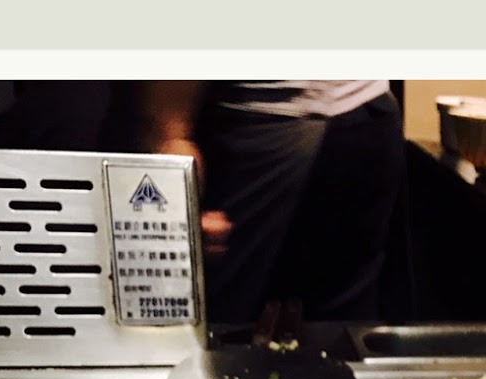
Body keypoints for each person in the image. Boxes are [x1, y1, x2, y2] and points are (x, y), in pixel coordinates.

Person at [138, 80, 405, 325]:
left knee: (345, 328)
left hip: (365, 111)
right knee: (220, 324)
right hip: (253, 119)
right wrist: (170, 143)